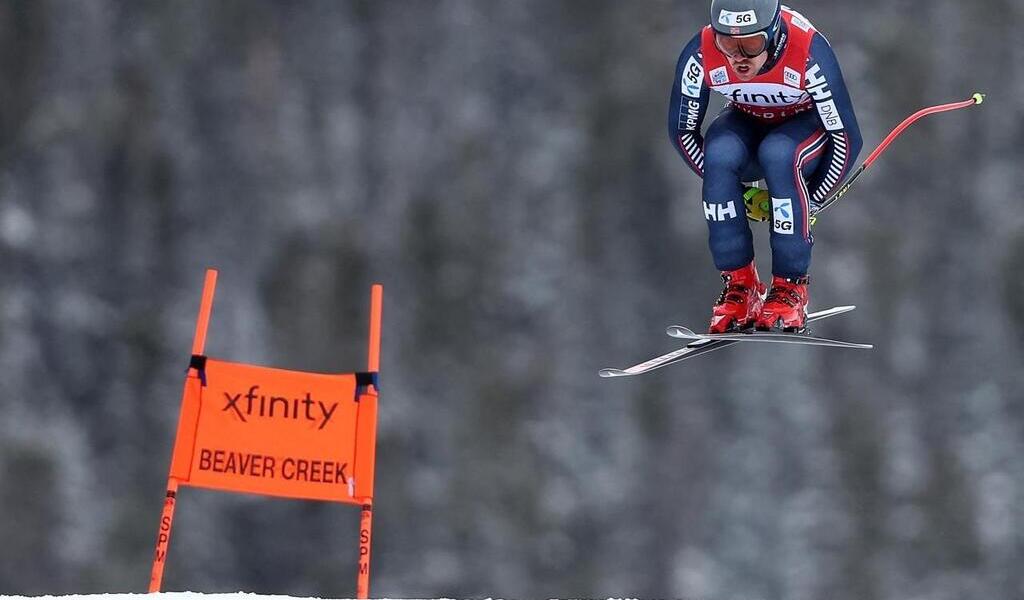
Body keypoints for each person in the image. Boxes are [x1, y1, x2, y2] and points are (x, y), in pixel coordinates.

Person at [668, 0, 862, 332]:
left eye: (751, 44)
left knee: (780, 154)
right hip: (747, 122)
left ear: (773, 34)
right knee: (720, 153)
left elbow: (846, 138)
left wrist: (812, 198)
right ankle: (740, 288)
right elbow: (683, 131)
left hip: (804, 127)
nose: (738, 58)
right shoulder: (700, 55)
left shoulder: (807, 52)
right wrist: (735, 193)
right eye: (727, 43)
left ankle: (790, 288)